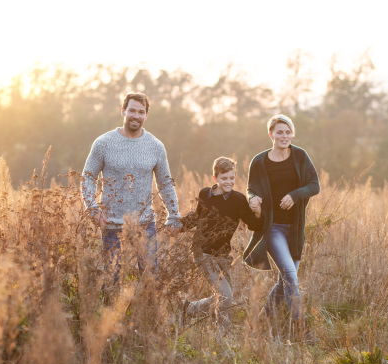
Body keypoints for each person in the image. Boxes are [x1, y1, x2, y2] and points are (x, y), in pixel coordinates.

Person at [81, 92, 181, 284]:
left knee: (151, 280)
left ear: (146, 115)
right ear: (123, 111)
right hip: (112, 225)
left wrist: (174, 215)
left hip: (145, 224)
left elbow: (165, 183)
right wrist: (92, 210)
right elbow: (87, 177)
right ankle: (111, 313)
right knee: (112, 281)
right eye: (132, 110)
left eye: (141, 112)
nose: (136, 115)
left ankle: (147, 314)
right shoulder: (103, 143)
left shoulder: (156, 146)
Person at [243, 114, 320, 325]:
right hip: (273, 227)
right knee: (289, 275)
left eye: (288, 132)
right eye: (279, 132)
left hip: (295, 228)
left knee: (285, 278)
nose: (284, 136)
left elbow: (315, 185)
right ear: (271, 134)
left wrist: (295, 195)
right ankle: (302, 328)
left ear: (292, 134)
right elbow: (250, 189)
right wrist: (252, 199)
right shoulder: (259, 161)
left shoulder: (300, 156)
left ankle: (261, 321)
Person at [181, 157, 263, 335]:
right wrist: (178, 226)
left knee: (225, 298)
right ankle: (224, 337)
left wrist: (257, 213)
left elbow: (252, 224)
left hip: (223, 254)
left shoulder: (239, 199)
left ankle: (189, 309)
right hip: (202, 251)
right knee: (225, 296)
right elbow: (197, 216)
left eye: (232, 178)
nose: (229, 182)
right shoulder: (205, 194)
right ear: (215, 178)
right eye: (224, 178)